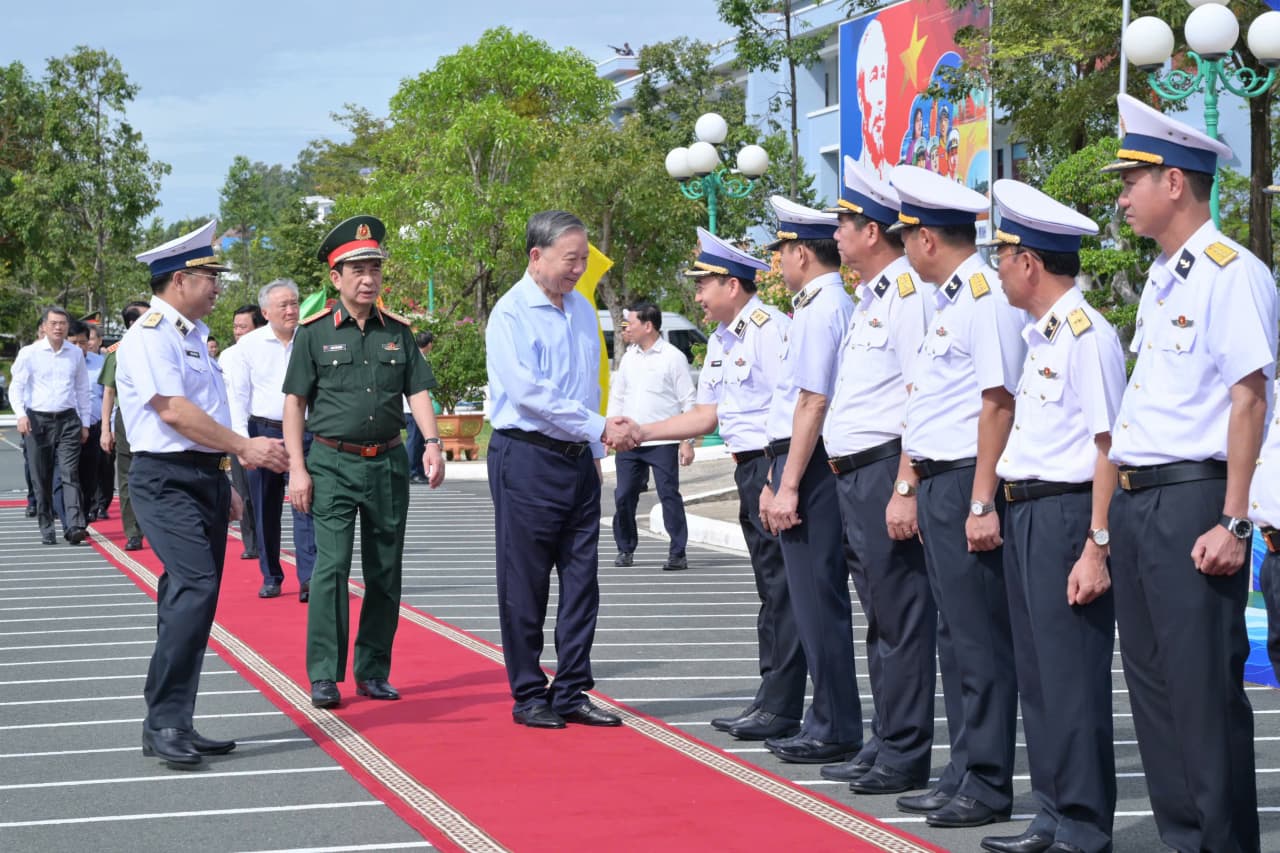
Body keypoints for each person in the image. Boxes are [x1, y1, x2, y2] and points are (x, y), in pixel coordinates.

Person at [1102, 94, 1276, 853]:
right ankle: (1183, 841)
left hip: (1195, 499)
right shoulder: (1166, 276)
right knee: (1155, 691)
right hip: (1143, 502)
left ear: (1174, 182)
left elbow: (1250, 396)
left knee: (1203, 695)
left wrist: (1234, 520)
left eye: (1132, 179)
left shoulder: (1230, 272)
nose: (1122, 195)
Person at [609, 227, 805, 741]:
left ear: (733, 285)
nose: (697, 296)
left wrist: (778, 477)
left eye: (704, 284)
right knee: (771, 589)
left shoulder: (769, 330)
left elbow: (794, 411)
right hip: (748, 469)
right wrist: (644, 432)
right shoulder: (723, 339)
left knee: (786, 592)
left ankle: (785, 706)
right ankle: (772, 696)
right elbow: (706, 414)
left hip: (772, 465)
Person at [980, 180, 1126, 853]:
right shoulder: (1040, 337)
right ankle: (1052, 812)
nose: (998, 267)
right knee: (1039, 679)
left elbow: (1108, 448)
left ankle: (1085, 824)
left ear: (1030, 263)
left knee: (1073, 680)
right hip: (1027, 515)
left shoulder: (1085, 336)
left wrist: (1097, 544)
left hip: (1068, 515)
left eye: (1003, 255)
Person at [117, 220, 290, 769]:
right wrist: (245, 448)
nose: (217, 286)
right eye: (208, 276)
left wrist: (222, 475)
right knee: (193, 588)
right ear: (176, 280)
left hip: (202, 478)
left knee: (192, 597)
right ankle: (163, 720)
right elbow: (173, 411)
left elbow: (204, 413)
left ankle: (175, 720)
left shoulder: (190, 338)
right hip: (164, 479)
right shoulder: (149, 335)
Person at [889, 164, 1026, 829]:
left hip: (967, 481)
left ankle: (990, 780)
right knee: (955, 637)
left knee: (979, 641)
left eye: (907, 234)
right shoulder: (951, 301)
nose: (905, 247)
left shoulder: (984, 297)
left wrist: (981, 500)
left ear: (926, 240)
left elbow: (997, 402)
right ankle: (964, 767)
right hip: (941, 481)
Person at [283, 215, 445, 710]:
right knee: (330, 570)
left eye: (373, 268)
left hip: (388, 464)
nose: (368, 278)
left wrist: (433, 443)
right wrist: (297, 466)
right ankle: (325, 676)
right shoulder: (312, 334)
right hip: (331, 463)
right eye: (357, 269)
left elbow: (417, 390)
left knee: (385, 570)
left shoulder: (397, 331)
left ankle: (373, 670)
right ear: (336, 278)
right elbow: (294, 404)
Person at [818, 160, 935, 794]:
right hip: (853, 476)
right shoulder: (874, 298)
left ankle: (906, 750)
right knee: (881, 618)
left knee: (902, 618)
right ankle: (886, 738)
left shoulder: (908, 297)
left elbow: (923, 393)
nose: (834, 233)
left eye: (843, 222)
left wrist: (906, 483)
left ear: (871, 230)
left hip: (885, 470)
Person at [485, 209, 625, 730]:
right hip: (527, 459)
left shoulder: (583, 309)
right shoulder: (510, 314)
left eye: (584, 259)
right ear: (536, 255)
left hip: (578, 463)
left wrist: (595, 451)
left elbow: (588, 384)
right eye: (572, 259)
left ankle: (571, 689)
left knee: (582, 579)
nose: (578, 269)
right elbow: (529, 395)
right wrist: (599, 426)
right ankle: (528, 693)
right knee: (525, 583)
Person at [757, 196, 861, 766]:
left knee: (818, 599)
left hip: (811, 463)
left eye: (780, 251)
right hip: (803, 458)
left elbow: (813, 399)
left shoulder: (823, 309)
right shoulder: (819, 305)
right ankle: (829, 719)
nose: (777, 262)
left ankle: (835, 723)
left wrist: (788, 482)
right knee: (811, 598)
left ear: (800, 251)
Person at [226, 280, 317, 602]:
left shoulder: (310, 339)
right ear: (266, 312)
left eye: (295, 303)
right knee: (264, 509)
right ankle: (271, 575)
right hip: (262, 432)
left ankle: (309, 577)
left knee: (306, 503)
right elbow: (237, 397)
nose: (292, 310)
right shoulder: (247, 347)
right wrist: (241, 445)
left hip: (306, 433)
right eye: (284, 305)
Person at [607, 301, 696, 571]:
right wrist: (612, 429)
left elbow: (688, 401)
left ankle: (677, 552)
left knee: (669, 494)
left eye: (631, 323)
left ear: (648, 325)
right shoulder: (629, 357)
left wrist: (686, 441)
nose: (627, 328)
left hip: (663, 441)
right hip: (629, 441)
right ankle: (625, 548)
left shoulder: (673, 357)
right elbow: (618, 395)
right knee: (623, 495)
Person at [11, 306, 92, 546]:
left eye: (63, 323)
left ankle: (74, 525)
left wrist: (84, 423)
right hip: (38, 420)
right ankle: (47, 527)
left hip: (68, 419)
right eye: (54, 323)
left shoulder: (75, 354)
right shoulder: (29, 353)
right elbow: (16, 387)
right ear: (44, 326)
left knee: (69, 473)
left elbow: (82, 390)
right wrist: (20, 415)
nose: (58, 327)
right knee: (41, 477)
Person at [99, 300, 153, 551]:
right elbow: (109, 392)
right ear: (133, 322)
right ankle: (133, 531)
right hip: (128, 418)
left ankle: (157, 527)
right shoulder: (117, 352)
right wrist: (105, 430)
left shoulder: (159, 344)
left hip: (159, 416)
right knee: (128, 476)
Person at [220, 304, 267, 561]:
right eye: (235, 327)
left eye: (243, 327)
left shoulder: (269, 354)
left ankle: (267, 538)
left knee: (266, 493)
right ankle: (251, 542)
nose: (238, 332)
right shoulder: (227, 356)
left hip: (264, 427)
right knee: (243, 489)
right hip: (235, 431)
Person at [855, 19, 889, 180]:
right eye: (874, 76)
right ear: (860, 95)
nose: (881, 98)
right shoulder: (854, 179)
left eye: (883, 74)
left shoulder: (894, 176)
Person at [405, 329, 435, 484]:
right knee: (414, 441)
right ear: (429, 344)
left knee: (418, 441)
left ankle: (418, 471)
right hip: (412, 409)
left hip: (412, 408)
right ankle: (411, 471)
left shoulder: (417, 356)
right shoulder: (417, 358)